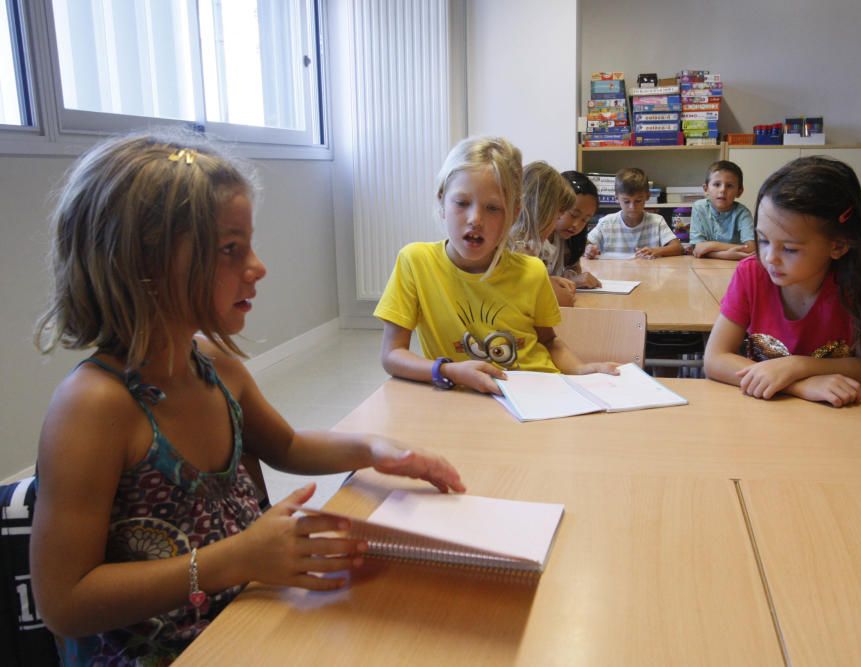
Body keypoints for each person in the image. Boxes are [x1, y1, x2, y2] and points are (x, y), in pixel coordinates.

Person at [29, 132, 465, 664]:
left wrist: (375, 451)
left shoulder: (214, 366)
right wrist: (236, 558)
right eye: (231, 250)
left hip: (249, 614)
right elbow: (64, 603)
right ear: (144, 265)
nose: (257, 267)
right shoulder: (95, 408)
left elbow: (285, 444)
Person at [375, 136, 618, 395]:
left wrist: (580, 370)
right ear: (442, 202)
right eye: (462, 203)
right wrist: (447, 371)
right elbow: (392, 354)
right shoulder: (415, 262)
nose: (475, 219)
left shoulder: (532, 271)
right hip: (469, 402)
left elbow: (549, 341)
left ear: (513, 214)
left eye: (493, 208)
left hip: (541, 395)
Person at [704, 156, 861, 407]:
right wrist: (801, 385)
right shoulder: (752, 273)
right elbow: (715, 358)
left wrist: (797, 365)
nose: (770, 258)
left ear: (838, 245)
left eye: (789, 249)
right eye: (763, 240)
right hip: (765, 415)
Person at [509, 160, 578, 306]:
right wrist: (550, 290)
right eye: (557, 217)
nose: (555, 226)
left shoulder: (527, 246)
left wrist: (550, 282)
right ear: (543, 211)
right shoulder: (516, 253)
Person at [584, 167, 682, 259]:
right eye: (626, 201)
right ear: (616, 198)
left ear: (647, 196)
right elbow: (584, 244)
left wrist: (657, 251)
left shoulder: (657, 221)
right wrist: (588, 249)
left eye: (638, 201)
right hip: (614, 274)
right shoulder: (606, 223)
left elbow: (677, 247)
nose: (632, 207)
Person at [689, 160, 756, 260]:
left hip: (734, 267)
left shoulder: (743, 213)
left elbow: (751, 248)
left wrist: (712, 246)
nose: (722, 190)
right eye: (716, 184)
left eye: (729, 186)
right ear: (706, 188)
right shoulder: (699, 208)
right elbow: (697, 249)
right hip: (706, 266)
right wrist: (726, 254)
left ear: (739, 191)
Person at [553, 170, 602, 289]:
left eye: (585, 220)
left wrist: (574, 276)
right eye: (573, 215)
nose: (576, 224)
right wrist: (572, 281)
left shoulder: (569, 240)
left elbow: (573, 268)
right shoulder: (533, 240)